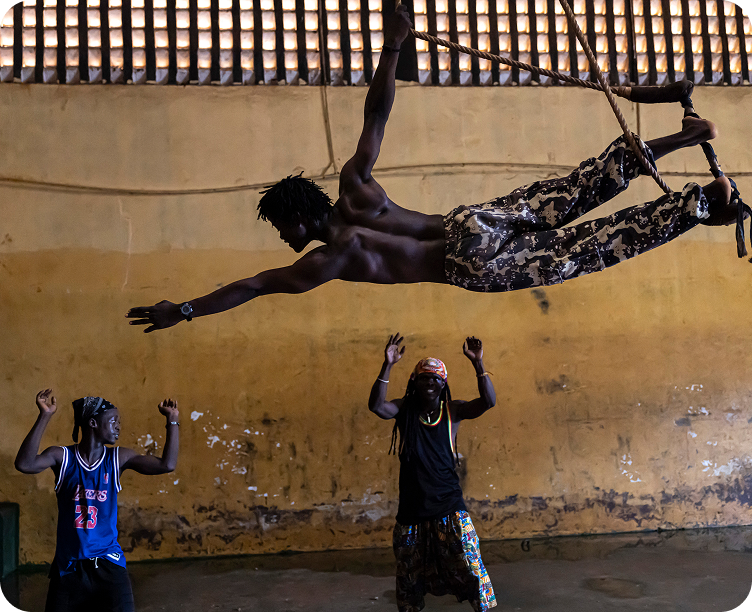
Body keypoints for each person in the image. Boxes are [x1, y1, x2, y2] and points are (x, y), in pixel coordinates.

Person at [126, 6, 739, 332]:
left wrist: (185, 310)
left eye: (280, 226)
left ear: (297, 217)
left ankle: (701, 201)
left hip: (469, 264)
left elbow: (257, 285)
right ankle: (684, 139)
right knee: (573, 190)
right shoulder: (356, 187)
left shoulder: (327, 260)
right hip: (470, 222)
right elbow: (377, 112)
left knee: (588, 247)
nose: (281, 237)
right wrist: (393, 45)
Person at [14, 389, 180, 612]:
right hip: (69, 567)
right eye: (113, 421)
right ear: (92, 423)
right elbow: (24, 464)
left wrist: (172, 421)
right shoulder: (62, 457)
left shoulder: (117, 458)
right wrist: (44, 415)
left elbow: (167, 465)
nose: (118, 427)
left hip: (109, 566)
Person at [368, 333, 496, 612]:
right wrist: (387, 364)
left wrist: (478, 363)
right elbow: (377, 406)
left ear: (443, 384)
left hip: (449, 507)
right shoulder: (404, 409)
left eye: (436, 379)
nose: (430, 382)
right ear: (414, 380)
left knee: (472, 569)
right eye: (424, 378)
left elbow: (488, 401)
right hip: (412, 511)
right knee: (409, 580)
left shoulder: (453, 410)